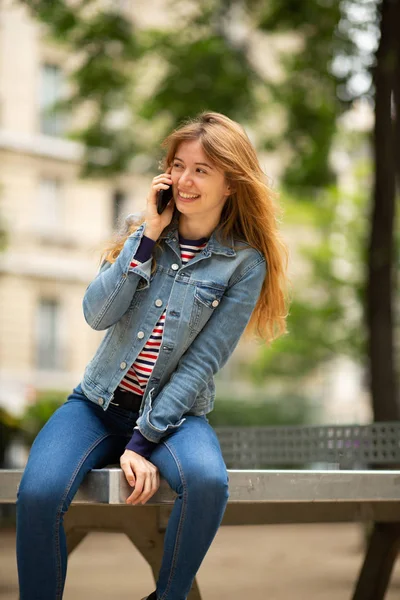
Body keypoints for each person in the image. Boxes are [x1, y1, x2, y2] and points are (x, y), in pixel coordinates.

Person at [16, 111, 288, 600]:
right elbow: (96, 314)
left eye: (202, 169)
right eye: (178, 165)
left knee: (207, 482)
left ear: (231, 183)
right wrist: (146, 236)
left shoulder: (244, 264)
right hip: (96, 405)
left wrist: (142, 442)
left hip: (175, 417)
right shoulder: (143, 232)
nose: (184, 180)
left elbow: (203, 361)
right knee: (38, 494)